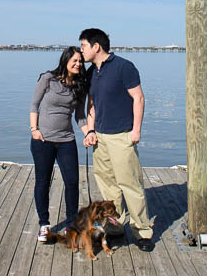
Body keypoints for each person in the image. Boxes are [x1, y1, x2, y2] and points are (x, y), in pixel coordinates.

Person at [79, 28, 154, 252]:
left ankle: (142, 232)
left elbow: (138, 98)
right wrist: (90, 131)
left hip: (122, 135)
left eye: (83, 45)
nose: (81, 50)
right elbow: (91, 105)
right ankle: (116, 228)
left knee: (130, 184)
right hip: (99, 138)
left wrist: (136, 130)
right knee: (108, 187)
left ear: (96, 46)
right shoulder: (92, 72)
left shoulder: (124, 67)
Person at [29, 46, 90, 243]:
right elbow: (34, 105)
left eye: (80, 61)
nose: (78, 64)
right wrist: (34, 130)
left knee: (72, 182)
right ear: (65, 61)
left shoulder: (80, 86)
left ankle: (71, 224)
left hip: (67, 141)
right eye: (75, 60)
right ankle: (44, 225)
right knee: (43, 182)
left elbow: (80, 116)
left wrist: (88, 132)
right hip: (43, 141)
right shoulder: (48, 78)